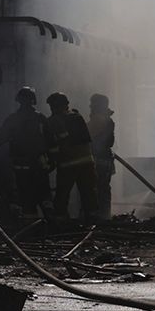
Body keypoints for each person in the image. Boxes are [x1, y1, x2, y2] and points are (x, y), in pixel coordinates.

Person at [43, 93, 99, 223]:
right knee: (89, 194)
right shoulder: (77, 117)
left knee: (62, 195)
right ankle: (92, 222)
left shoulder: (52, 122)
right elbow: (87, 140)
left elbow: (52, 146)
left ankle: (61, 223)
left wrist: (50, 163)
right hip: (87, 163)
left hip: (67, 165)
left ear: (54, 106)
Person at [0, 87, 51, 218]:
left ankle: (32, 225)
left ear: (19, 100)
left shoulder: (13, 119)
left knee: (27, 199)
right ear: (33, 100)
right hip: (40, 165)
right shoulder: (40, 118)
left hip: (21, 166)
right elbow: (50, 140)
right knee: (45, 197)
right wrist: (51, 161)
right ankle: (52, 224)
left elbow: (1, 138)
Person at [90, 93, 117, 219]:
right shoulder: (106, 119)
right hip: (104, 159)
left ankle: (101, 216)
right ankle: (104, 215)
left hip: (99, 160)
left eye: (93, 104)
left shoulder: (99, 120)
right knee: (103, 188)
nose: (90, 106)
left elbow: (87, 135)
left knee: (99, 189)